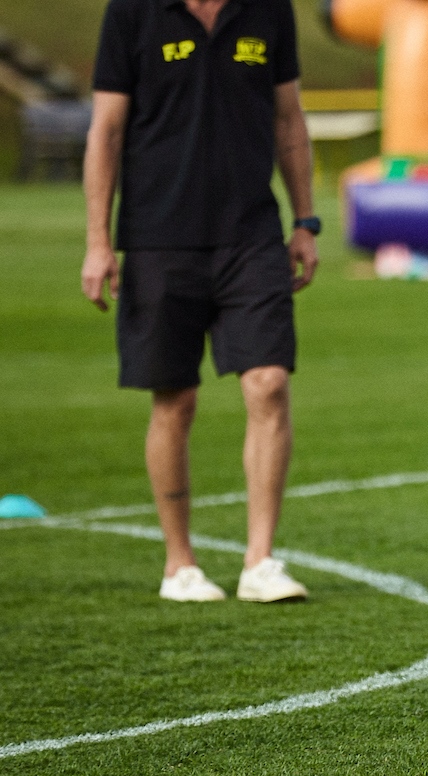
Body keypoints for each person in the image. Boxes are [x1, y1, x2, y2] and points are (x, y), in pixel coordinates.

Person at [81, 0, 320, 603]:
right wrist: (97, 242)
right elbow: (106, 129)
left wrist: (305, 221)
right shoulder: (132, 13)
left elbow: (288, 120)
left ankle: (260, 561)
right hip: (159, 238)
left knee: (268, 382)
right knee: (175, 400)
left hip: (252, 236)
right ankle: (179, 564)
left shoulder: (268, 10)